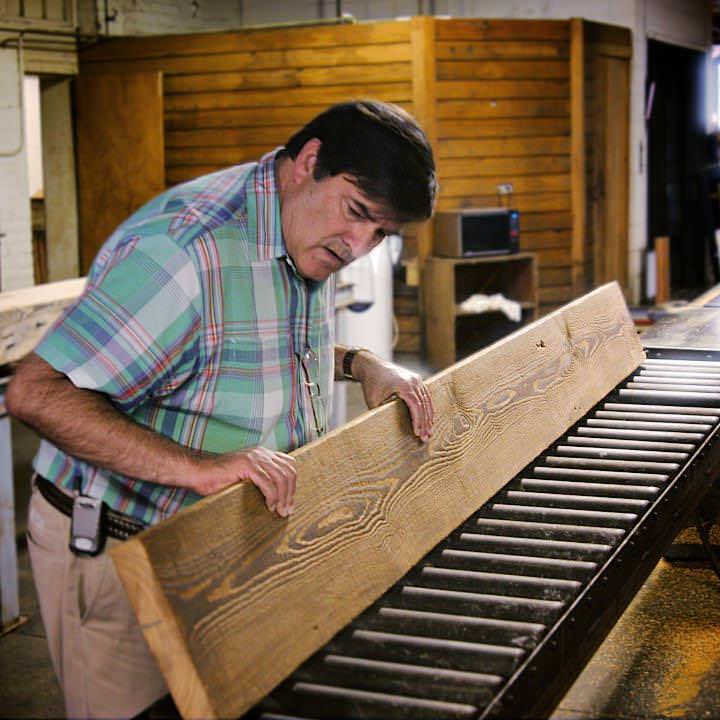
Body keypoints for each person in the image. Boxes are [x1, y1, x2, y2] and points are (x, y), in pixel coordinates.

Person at [6, 100, 437, 719]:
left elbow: (247, 338)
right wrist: (201, 468)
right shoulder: (183, 250)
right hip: (121, 547)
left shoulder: (300, 230)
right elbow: (37, 392)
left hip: (224, 540)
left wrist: (359, 364)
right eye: (357, 215)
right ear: (309, 162)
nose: (358, 247)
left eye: (381, 235)